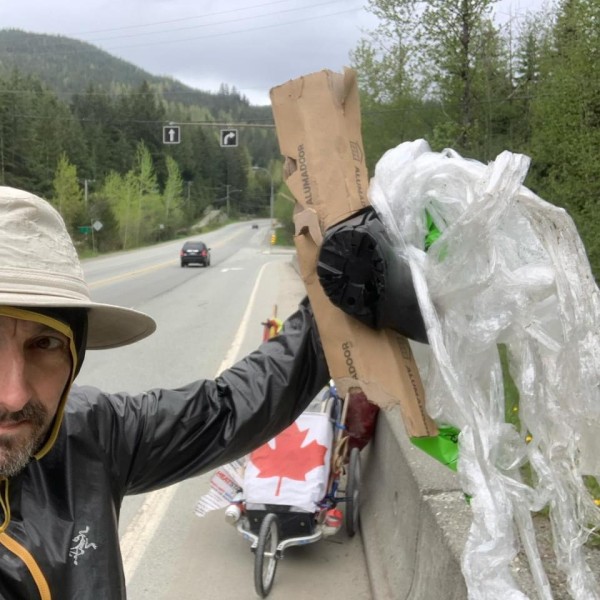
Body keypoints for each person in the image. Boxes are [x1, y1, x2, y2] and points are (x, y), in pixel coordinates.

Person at [0, 186, 330, 599]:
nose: (13, 396)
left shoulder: (86, 434)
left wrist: (330, 305)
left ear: (75, 357)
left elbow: (226, 411)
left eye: (45, 344)